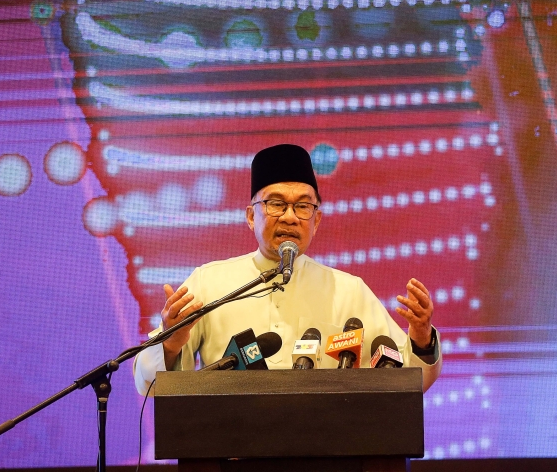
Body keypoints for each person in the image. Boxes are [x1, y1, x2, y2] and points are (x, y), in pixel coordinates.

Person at [133, 144, 442, 394]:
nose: (290, 217)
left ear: (316, 220)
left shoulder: (349, 290)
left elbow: (410, 383)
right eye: (276, 203)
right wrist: (171, 344)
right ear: (251, 216)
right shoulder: (210, 283)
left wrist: (422, 339)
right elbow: (150, 386)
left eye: (303, 206)